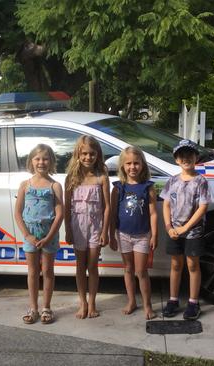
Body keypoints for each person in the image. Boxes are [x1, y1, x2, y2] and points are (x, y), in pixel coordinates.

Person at [160, 139, 210, 320]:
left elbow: (202, 207)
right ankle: (173, 300)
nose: (186, 158)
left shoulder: (201, 181)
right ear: (176, 159)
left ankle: (193, 302)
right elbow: (166, 205)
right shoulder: (172, 180)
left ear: (196, 157)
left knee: (192, 265)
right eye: (182, 155)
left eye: (190, 154)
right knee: (175, 264)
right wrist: (169, 226)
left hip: (193, 232)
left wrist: (185, 228)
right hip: (174, 231)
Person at [15, 144, 64, 324]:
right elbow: (18, 213)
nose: (41, 162)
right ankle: (33, 307)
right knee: (33, 271)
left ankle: (46, 307)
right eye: (37, 159)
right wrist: (28, 236)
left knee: (48, 271)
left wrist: (49, 236)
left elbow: (60, 213)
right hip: (31, 234)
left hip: (48, 234)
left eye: (45, 159)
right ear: (31, 161)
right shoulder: (25, 185)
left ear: (51, 161)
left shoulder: (55, 186)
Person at [64, 135, 110, 319]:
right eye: (84, 154)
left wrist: (105, 231)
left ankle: (92, 303)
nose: (88, 157)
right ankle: (82, 302)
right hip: (77, 227)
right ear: (78, 155)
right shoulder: (71, 178)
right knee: (79, 265)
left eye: (92, 154)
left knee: (92, 265)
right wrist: (67, 229)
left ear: (97, 155)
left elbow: (107, 207)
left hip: (96, 227)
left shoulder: (102, 178)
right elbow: (67, 207)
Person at [109, 146, 158, 320]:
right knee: (128, 269)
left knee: (141, 271)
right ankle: (131, 301)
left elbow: (153, 213)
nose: (132, 167)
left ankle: (147, 304)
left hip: (142, 236)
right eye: (128, 163)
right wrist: (111, 235)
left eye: (136, 163)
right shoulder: (118, 187)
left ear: (142, 165)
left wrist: (154, 234)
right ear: (122, 166)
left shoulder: (148, 187)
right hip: (123, 235)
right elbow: (113, 213)